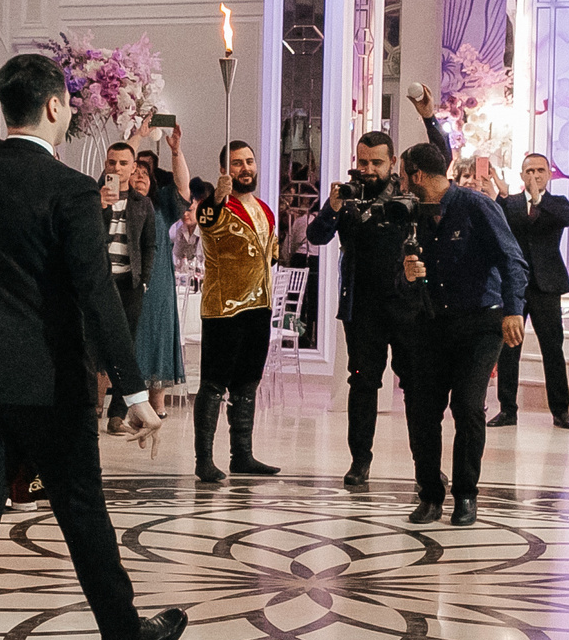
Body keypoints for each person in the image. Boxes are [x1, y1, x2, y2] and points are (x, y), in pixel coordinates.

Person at [0, 53, 189, 640]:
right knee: (78, 507)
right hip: (51, 382)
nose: (71, 111)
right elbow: (96, 297)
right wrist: (135, 393)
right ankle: (122, 636)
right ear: (51, 107)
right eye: (68, 103)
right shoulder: (71, 191)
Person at [394, 140, 528, 525]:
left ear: (417, 175)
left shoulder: (476, 207)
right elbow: (397, 275)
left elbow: (512, 259)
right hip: (430, 323)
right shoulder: (410, 214)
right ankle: (430, 494)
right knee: (422, 410)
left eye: (405, 176)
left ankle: (466, 494)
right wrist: (405, 275)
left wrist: (513, 311)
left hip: (480, 323)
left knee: (468, 406)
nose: (403, 184)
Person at [307, 127, 434, 488]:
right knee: (362, 384)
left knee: (415, 386)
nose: (368, 169)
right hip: (362, 307)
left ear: (392, 162)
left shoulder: (408, 195)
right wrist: (332, 208)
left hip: (407, 304)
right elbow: (316, 238)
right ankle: (359, 461)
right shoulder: (347, 197)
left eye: (377, 162)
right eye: (363, 161)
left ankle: (425, 463)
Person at [179, 128, 282, 482]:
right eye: (237, 164)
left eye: (249, 162)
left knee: (248, 381)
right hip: (225, 307)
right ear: (225, 171)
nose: (245, 168)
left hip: (259, 306)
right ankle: (203, 459)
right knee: (213, 382)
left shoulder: (265, 209)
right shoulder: (219, 207)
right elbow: (207, 220)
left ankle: (243, 454)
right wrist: (216, 199)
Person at [492, 152, 569, 430]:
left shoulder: (557, 203)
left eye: (540, 170)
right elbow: (497, 226)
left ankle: (560, 410)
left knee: (553, 348)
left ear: (549, 174)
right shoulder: (511, 202)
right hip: (515, 285)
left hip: (547, 285)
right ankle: (507, 409)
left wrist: (537, 199)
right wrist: (500, 198)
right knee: (509, 348)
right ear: (521, 175)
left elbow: (565, 219)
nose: (535, 176)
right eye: (529, 171)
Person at [94, 141, 158, 431]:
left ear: (134, 168)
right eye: (112, 163)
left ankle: (117, 415)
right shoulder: (93, 198)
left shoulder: (142, 203)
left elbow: (149, 244)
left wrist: (143, 281)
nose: (117, 169)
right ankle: (91, 407)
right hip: (98, 283)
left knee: (125, 348)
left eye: (123, 164)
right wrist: (101, 205)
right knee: (92, 346)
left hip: (129, 284)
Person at [126, 156, 184, 405]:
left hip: (159, 284)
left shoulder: (162, 208)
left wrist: (176, 150)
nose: (140, 176)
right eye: (134, 171)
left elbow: (182, 187)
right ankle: (110, 406)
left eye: (145, 173)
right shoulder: (118, 205)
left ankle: (157, 404)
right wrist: (136, 136)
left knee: (158, 336)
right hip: (126, 283)